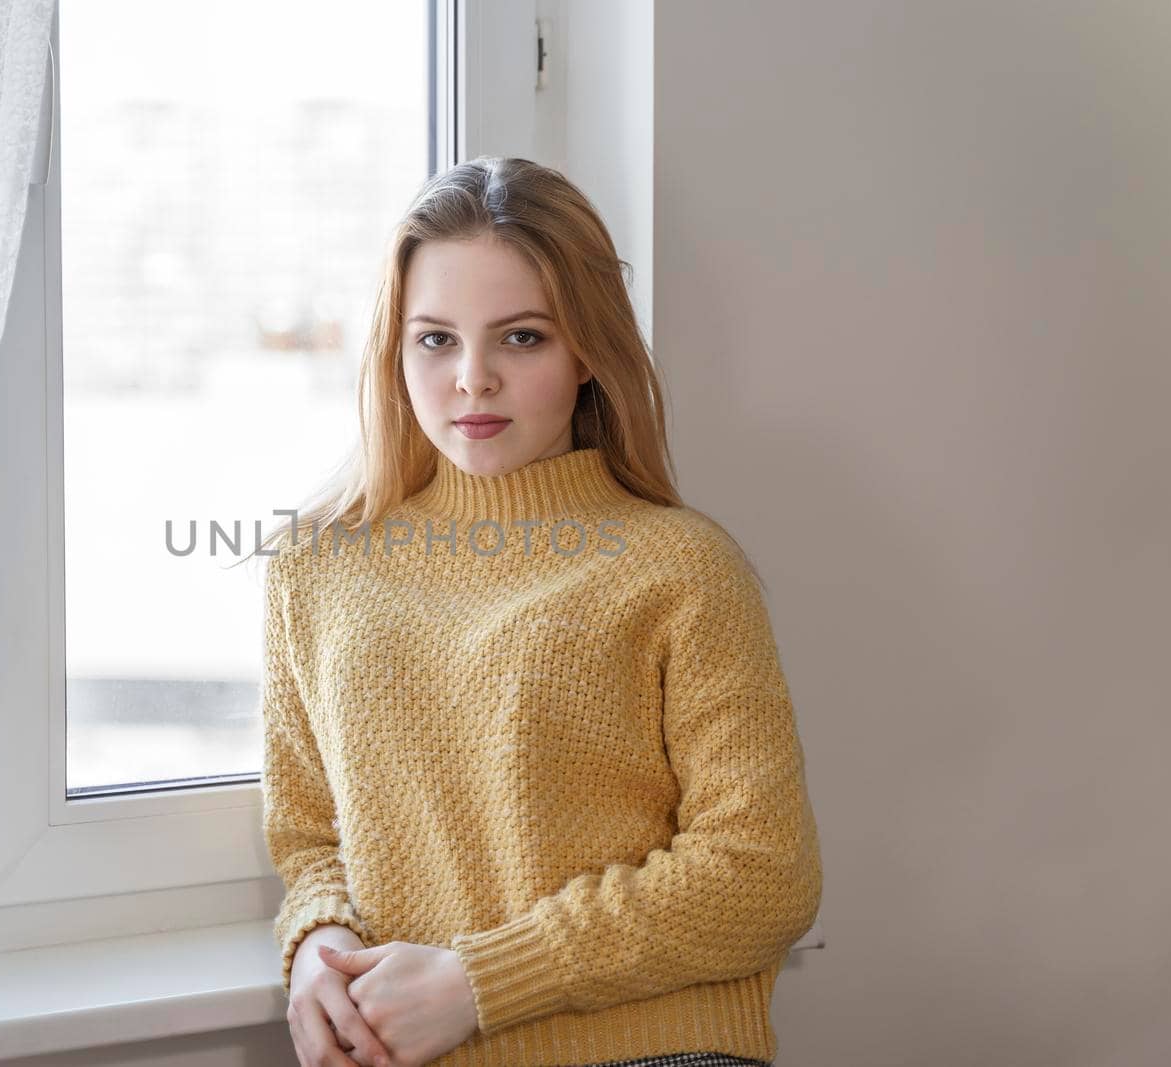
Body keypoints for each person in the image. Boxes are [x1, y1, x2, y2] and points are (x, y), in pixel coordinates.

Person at [251, 156, 821, 1067]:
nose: (472, 379)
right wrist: (318, 944)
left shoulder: (680, 566)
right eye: (435, 339)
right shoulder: (317, 570)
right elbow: (311, 837)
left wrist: (482, 981)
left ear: (589, 349)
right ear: (394, 353)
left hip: (651, 1052)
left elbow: (763, 873)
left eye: (520, 338)